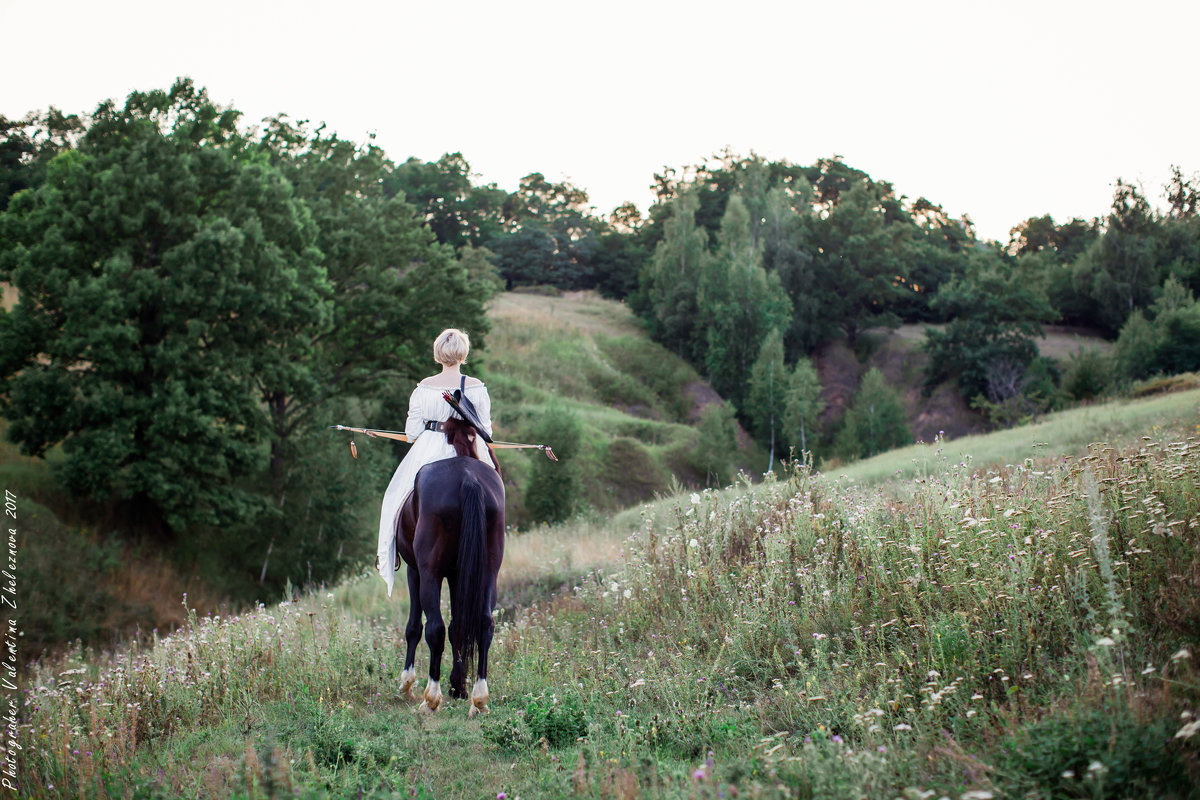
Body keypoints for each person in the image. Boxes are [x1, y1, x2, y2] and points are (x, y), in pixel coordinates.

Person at [376, 328, 494, 598]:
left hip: (429, 448)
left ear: (438, 354)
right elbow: (486, 430)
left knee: (394, 496)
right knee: (493, 489)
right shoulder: (476, 387)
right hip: (468, 448)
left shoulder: (424, 388)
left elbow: (412, 434)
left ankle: (389, 553)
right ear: (463, 354)